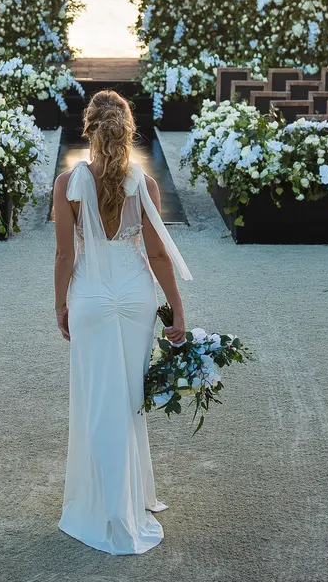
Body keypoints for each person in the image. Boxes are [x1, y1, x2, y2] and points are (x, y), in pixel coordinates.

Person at [51, 89, 193, 555]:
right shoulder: (144, 184)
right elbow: (156, 254)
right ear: (128, 131)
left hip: (91, 297)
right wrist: (175, 309)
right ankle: (129, 499)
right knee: (127, 400)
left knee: (97, 401)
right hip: (135, 299)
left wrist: (60, 305)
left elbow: (65, 255)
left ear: (88, 129)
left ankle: (103, 503)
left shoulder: (68, 184)